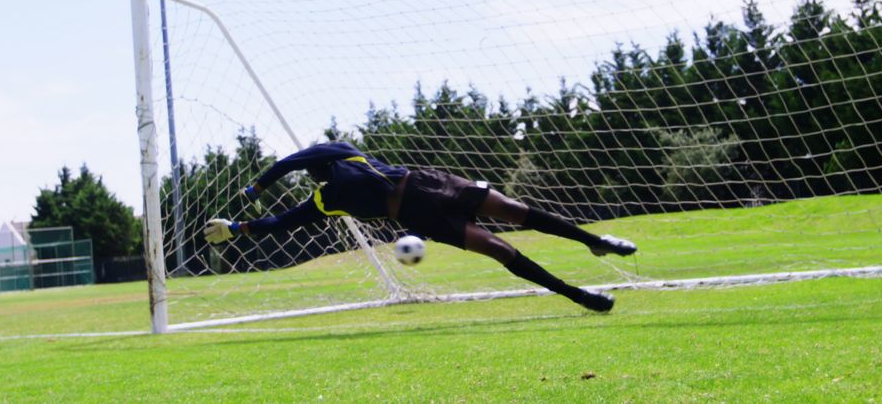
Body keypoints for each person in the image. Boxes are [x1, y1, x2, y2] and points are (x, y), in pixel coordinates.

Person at [203, 141, 637, 312]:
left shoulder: (344, 154)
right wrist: (237, 227)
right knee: (498, 250)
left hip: (430, 182)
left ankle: (595, 242)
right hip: (418, 217)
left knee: (515, 210)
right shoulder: (323, 201)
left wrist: (256, 186)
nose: (309, 167)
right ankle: (578, 296)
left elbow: (288, 162)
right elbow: (281, 223)